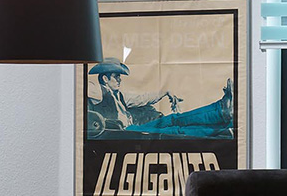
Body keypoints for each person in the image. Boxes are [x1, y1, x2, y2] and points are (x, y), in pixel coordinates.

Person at [87, 58, 232, 138]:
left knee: (174, 119)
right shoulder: (98, 92)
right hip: (125, 133)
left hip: (133, 129)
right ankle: (220, 113)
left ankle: (223, 121)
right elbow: (82, 87)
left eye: (119, 77)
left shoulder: (120, 95)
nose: (119, 80)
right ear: (105, 79)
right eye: (116, 77)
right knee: (176, 129)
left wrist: (165, 92)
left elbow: (142, 98)